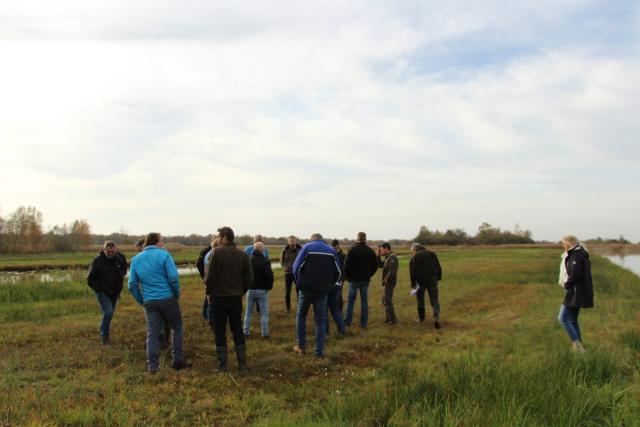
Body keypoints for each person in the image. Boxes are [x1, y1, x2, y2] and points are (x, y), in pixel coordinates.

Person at [128, 233, 188, 373]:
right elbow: (173, 277)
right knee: (177, 328)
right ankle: (177, 361)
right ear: (156, 242)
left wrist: (142, 300)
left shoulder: (135, 260)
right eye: (162, 241)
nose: (163, 243)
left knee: (152, 334)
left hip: (149, 301)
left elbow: (131, 285)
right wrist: (176, 293)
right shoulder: (164, 255)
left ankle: (153, 366)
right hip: (168, 298)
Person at [205, 226, 253, 372]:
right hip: (235, 298)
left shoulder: (216, 252)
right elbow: (249, 278)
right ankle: (242, 365)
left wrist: (209, 293)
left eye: (219, 236)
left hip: (218, 298)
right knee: (237, 329)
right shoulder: (243, 254)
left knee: (220, 330)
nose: (218, 238)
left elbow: (210, 277)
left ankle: (222, 366)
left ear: (225, 236)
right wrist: (241, 291)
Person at [292, 233, 341, 358]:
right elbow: (339, 272)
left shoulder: (307, 248)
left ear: (312, 239)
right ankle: (319, 352)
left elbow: (296, 267)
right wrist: (329, 285)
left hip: (306, 289)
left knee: (301, 315)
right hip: (323, 291)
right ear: (322, 240)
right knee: (320, 320)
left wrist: (299, 282)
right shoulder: (331, 250)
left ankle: (301, 347)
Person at [87, 241, 128, 345]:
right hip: (102, 292)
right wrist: (99, 289)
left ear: (116, 250)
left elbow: (124, 269)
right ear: (104, 250)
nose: (110, 253)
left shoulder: (121, 258)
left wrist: (121, 274)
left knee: (109, 314)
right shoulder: (97, 261)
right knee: (108, 312)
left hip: (115, 291)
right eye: (108, 251)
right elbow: (90, 279)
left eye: (112, 251)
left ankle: (105, 332)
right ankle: (104, 337)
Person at [558, 235, 594, 353]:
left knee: (562, 318)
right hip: (579, 291)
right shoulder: (580, 253)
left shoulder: (576, 255)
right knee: (573, 320)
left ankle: (577, 346)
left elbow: (575, 274)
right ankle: (579, 347)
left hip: (575, 292)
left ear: (570, 243)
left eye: (564, 243)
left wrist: (567, 284)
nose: (563, 245)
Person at [343, 232, 378, 329]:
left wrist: (348, 277)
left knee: (350, 301)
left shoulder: (352, 250)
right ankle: (363, 324)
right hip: (365, 280)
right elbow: (375, 265)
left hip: (353, 280)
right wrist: (369, 274)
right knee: (364, 302)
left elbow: (346, 266)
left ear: (357, 239)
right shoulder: (370, 251)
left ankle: (347, 323)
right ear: (365, 239)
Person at [243, 242, 274, 338]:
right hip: (262, 290)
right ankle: (265, 334)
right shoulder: (265, 260)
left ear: (254, 249)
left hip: (250, 289)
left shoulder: (248, 259)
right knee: (264, 313)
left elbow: (244, 274)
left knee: (248, 312)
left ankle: (246, 332)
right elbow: (269, 276)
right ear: (262, 249)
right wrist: (269, 287)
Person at [409, 242, 442, 329]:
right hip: (432, 280)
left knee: (420, 300)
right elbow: (438, 267)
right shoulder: (432, 253)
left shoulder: (414, 257)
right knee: (434, 299)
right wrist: (438, 278)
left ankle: (421, 318)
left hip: (420, 282)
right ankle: (436, 317)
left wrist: (413, 285)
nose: (412, 252)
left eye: (412, 251)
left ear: (415, 249)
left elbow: (412, 273)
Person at [377, 242, 398, 325]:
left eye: (382, 250)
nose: (381, 251)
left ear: (387, 248)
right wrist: (378, 255)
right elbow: (380, 265)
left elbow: (392, 271)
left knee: (387, 300)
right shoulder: (388, 257)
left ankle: (392, 320)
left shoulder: (392, 257)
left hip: (390, 282)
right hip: (387, 282)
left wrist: (386, 280)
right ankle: (389, 318)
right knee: (384, 299)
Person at [280, 236, 302, 313]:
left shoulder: (301, 250)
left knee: (299, 291)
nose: (291, 242)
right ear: (288, 242)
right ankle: (287, 308)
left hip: (298, 274)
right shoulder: (284, 250)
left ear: (296, 241)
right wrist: (284, 268)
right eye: (290, 241)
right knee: (287, 292)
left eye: (293, 241)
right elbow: (281, 261)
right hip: (288, 273)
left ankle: (300, 307)